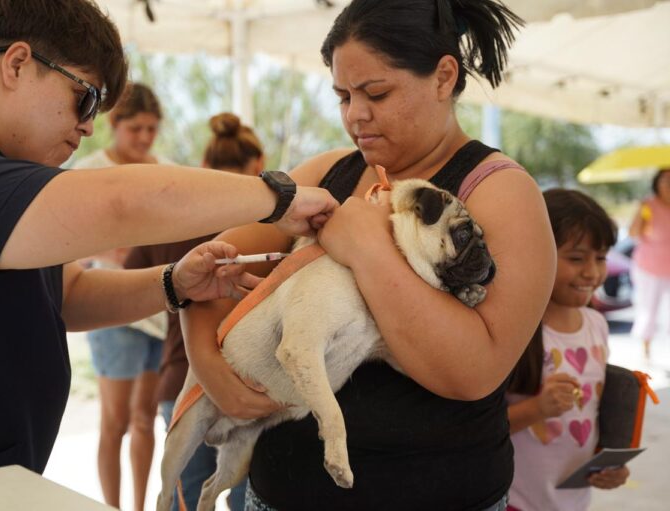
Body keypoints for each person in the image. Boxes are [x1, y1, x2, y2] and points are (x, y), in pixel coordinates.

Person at [0, 0, 338, 485]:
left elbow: (67, 296)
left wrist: (174, 283)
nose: (88, 126)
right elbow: (121, 203)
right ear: (17, 64)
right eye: (85, 98)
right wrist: (276, 197)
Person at [182, 1, 556, 509]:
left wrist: (366, 248)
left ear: (444, 77)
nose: (356, 114)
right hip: (276, 492)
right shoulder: (326, 172)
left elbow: (473, 372)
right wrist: (207, 363)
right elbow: (208, 269)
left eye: (376, 93)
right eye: (342, 96)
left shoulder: (500, 193)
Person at [130, 112, 261, 511]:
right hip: (244, 387)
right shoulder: (261, 227)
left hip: (179, 381)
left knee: (179, 498)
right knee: (241, 498)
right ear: (258, 168)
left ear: (204, 167)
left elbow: (131, 272)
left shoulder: (175, 222)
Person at [72, 82, 169, 511]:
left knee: (146, 420)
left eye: (152, 129)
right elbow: (59, 239)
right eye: (137, 129)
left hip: (159, 307)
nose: (145, 138)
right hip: (111, 310)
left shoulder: (165, 169)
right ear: (115, 124)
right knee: (115, 423)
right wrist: (103, 251)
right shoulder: (88, 170)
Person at [506, 189, 630, 511]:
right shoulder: (515, 328)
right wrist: (538, 408)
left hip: (574, 501)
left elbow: (591, 411)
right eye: (576, 258)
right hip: (515, 500)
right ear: (536, 252)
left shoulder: (595, 324)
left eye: (600, 258)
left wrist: (609, 466)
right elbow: (481, 427)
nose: (592, 272)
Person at [628, 168, 670, 359]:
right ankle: (646, 350)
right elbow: (633, 233)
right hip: (649, 266)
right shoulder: (648, 205)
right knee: (649, 308)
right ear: (657, 184)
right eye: (665, 180)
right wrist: (642, 214)